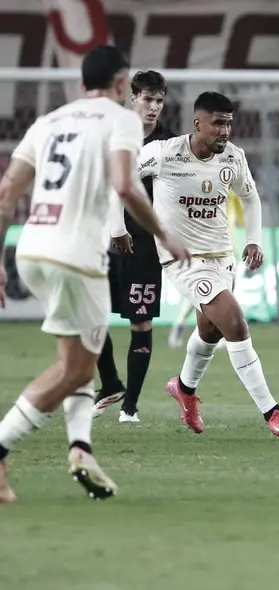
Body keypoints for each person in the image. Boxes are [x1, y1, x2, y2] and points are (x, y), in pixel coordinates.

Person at [0, 45, 189, 502]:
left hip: (31, 249)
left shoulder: (48, 122)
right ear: (122, 83)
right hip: (75, 254)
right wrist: (164, 233)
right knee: (72, 371)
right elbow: (125, 185)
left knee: (78, 360)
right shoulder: (121, 120)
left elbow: (7, 189)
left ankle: (81, 448)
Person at [117, 91, 279, 438]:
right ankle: (271, 411)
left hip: (222, 257)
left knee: (210, 330)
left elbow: (250, 197)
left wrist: (254, 239)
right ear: (197, 123)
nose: (225, 131)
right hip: (182, 259)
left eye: (229, 123)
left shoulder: (234, 157)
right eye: (217, 123)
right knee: (235, 322)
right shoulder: (164, 153)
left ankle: (184, 388)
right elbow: (121, 182)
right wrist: (117, 226)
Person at [93, 70, 176, 422]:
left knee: (140, 323)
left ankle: (130, 406)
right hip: (102, 243)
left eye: (159, 100)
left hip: (144, 248)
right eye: (148, 99)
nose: (153, 107)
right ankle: (111, 382)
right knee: (90, 316)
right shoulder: (114, 135)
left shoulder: (171, 145)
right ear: (133, 99)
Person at [166, 191, 246, 350]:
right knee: (207, 290)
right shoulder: (228, 179)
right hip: (212, 244)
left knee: (216, 290)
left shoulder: (229, 181)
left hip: (225, 245)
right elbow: (242, 216)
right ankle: (184, 325)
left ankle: (211, 330)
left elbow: (241, 214)